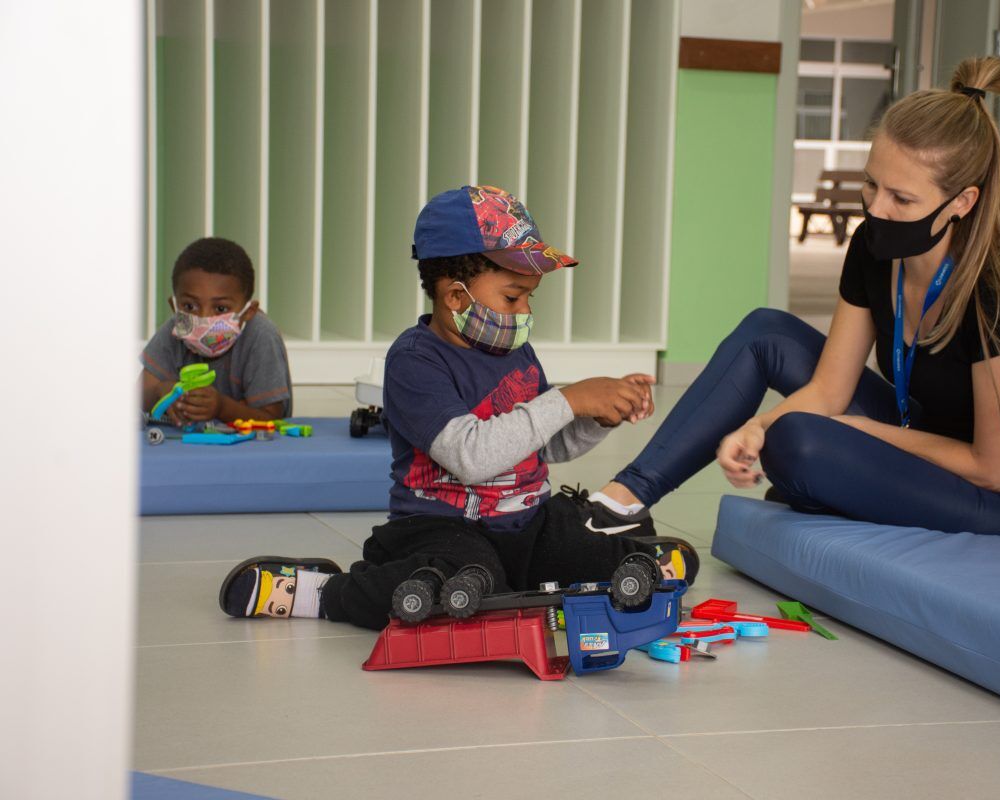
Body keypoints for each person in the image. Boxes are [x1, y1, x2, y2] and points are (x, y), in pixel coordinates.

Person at [582, 56, 1000, 537]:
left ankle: (831, 482)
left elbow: (993, 469)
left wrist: (852, 434)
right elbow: (829, 389)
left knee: (800, 444)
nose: (877, 208)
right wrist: (757, 426)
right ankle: (621, 503)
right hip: (930, 437)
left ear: (961, 202)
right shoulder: (874, 249)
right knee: (767, 334)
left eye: (903, 198)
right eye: (872, 184)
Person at [218, 186, 698, 630]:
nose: (525, 312)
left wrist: (594, 418)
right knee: (450, 581)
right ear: (454, 295)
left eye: (529, 297)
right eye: (513, 297)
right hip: (441, 528)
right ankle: (323, 592)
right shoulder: (413, 361)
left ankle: (633, 559)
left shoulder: (517, 353)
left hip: (526, 523)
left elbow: (544, 446)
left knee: (576, 547)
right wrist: (569, 398)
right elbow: (472, 457)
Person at [140, 237, 292, 424]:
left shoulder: (260, 335)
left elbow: (273, 417)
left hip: (249, 450)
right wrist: (160, 391)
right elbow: (139, 397)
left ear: (248, 312)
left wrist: (222, 408)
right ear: (174, 306)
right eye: (189, 306)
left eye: (220, 309)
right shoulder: (175, 329)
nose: (204, 319)